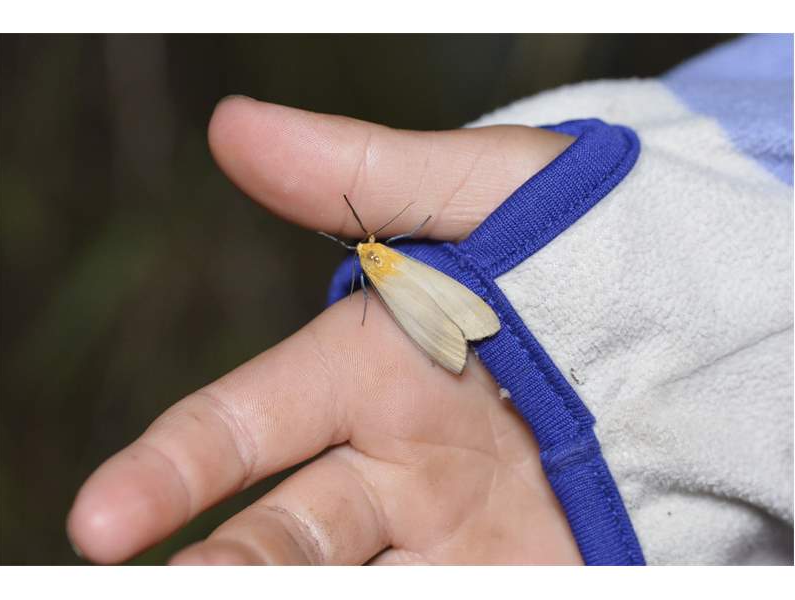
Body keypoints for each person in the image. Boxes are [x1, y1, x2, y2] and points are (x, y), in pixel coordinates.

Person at [67, 34, 793, 565]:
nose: (361, 247)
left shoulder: (374, 261)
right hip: (421, 301)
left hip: (426, 300)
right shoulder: (376, 264)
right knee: (422, 303)